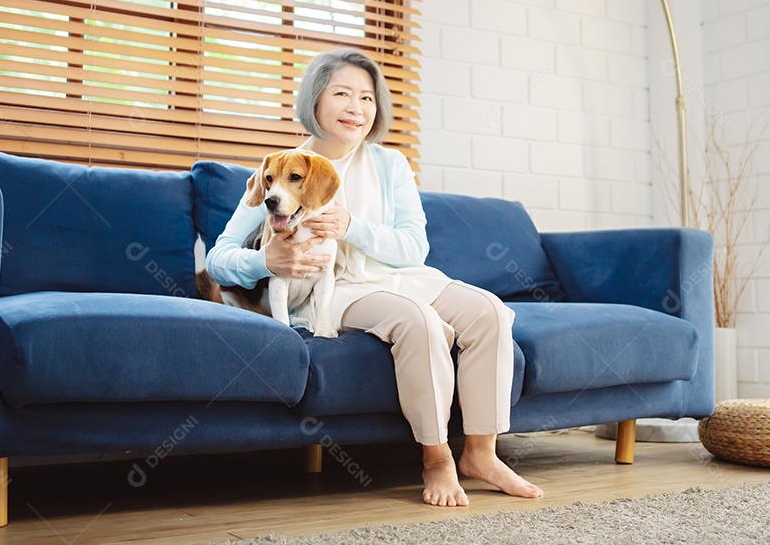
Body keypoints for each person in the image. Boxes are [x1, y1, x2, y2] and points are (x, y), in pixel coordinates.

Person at [206, 48, 543, 507]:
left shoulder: (391, 166)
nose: (356, 108)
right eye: (342, 93)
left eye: (367, 97)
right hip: (339, 291)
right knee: (418, 323)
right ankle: (437, 459)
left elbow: (414, 248)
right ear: (314, 101)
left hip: (403, 276)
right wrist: (268, 263)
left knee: (488, 312)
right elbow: (219, 258)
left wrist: (351, 227)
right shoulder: (283, 170)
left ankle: (481, 455)